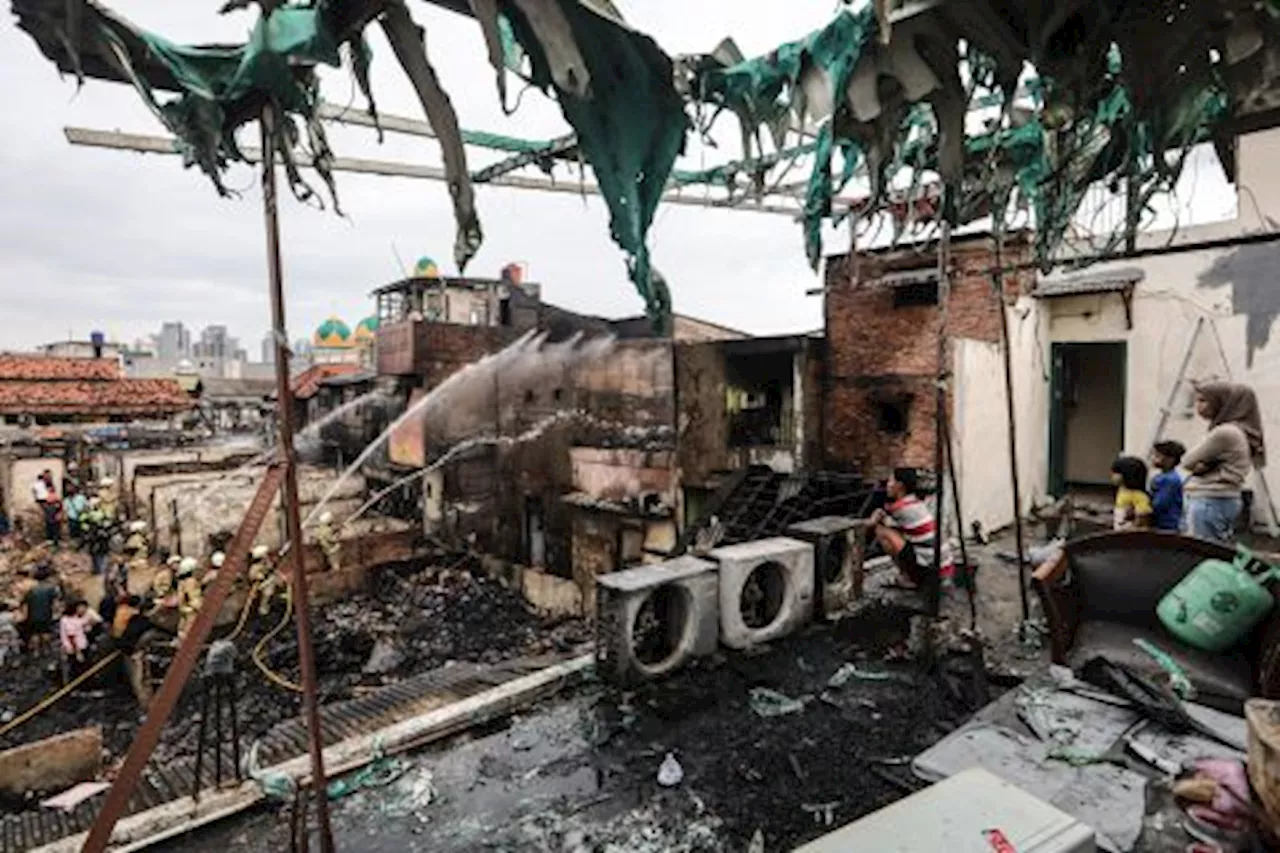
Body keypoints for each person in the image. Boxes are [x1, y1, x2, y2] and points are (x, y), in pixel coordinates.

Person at [1183, 382, 1265, 544]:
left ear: (1221, 402)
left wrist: (1200, 466)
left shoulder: (1225, 432)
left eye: (1203, 401)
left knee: (1202, 553)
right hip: (1223, 499)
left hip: (1210, 499)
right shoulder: (1237, 431)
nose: (1198, 406)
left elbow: (1187, 461)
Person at [870, 468, 953, 588]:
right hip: (943, 569)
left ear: (900, 486)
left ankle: (908, 579)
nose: (887, 485)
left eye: (891, 481)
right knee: (898, 533)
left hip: (931, 571)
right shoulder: (915, 502)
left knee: (882, 532)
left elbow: (876, 522)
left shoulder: (901, 508)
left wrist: (873, 518)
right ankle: (912, 576)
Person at [20, 566, 61, 654]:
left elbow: (25, 605)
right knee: (46, 633)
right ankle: (46, 651)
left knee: (35, 634)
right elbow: (55, 604)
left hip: (33, 616)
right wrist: (57, 612)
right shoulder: (51, 589)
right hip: (46, 615)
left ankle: (36, 652)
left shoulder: (30, 591)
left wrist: (25, 617)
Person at [1149, 440, 1187, 533]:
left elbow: (1159, 504)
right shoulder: (1160, 477)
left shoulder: (1170, 480)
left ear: (1170, 459)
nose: (1153, 458)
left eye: (1157, 456)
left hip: (1166, 525)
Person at [1111, 456, 1153, 530]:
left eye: (1116, 473)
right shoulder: (1122, 490)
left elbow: (1142, 518)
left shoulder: (1139, 496)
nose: (1113, 476)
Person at [59, 599, 102, 666]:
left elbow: (84, 622)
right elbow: (71, 637)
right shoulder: (67, 620)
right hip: (76, 649)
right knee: (79, 667)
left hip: (82, 645)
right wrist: (78, 652)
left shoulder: (75, 617)